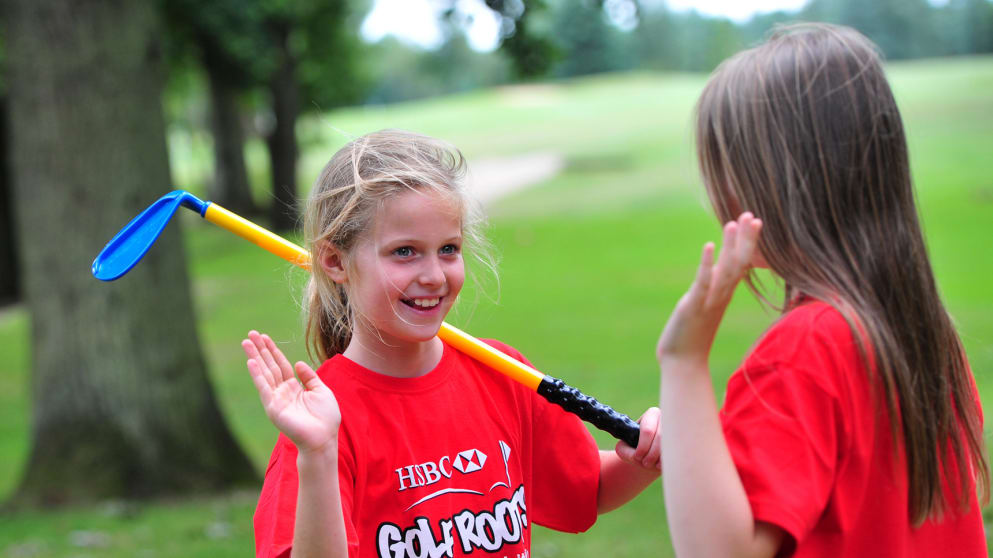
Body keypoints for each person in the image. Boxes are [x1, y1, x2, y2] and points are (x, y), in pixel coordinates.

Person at [243, 129, 662, 558]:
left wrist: (646, 456)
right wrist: (317, 455)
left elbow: (586, 487)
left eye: (448, 249)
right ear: (334, 261)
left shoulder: (501, 370)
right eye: (405, 252)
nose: (434, 276)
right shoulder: (321, 422)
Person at [656, 23, 990, 557]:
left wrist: (684, 361)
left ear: (769, 185)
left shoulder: (804, 352)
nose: (715, 198)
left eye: (723, 170)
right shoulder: (925, 334)